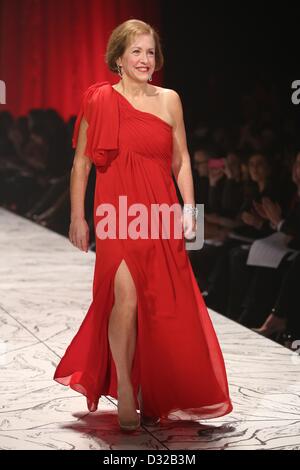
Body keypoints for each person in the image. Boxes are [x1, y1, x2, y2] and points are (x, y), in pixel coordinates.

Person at [53, 19, 233, 432]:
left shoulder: (170, 99)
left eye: (150, 52)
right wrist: (78, 218)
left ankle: (155, 385)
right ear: (118, 58)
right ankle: (129, 388)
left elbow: (182, 159)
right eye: (136, 51)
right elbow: (81, 163)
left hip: (161, 214)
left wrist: (191, 210)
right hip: (117, 216)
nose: (145, 59)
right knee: (125, 300)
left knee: (160, 305)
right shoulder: (99, 101)